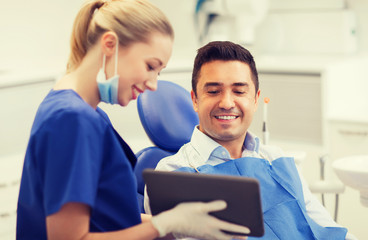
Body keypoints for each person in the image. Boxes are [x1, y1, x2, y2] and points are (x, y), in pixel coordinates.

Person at [16, 1, 251, 239]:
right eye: (150, 66)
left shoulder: (84, 112)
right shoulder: (73, 119)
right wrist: (162, 225)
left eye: (158, 72)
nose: (153, 84)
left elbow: (105, 217)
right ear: (110, 45)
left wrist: (179, 223)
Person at [144, 41, 357, 240]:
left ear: (255, 100)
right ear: (195, 100)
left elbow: (323, 226)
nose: (227, 102)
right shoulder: (171, 174)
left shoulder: (278, 159)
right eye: (213, 91)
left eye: (239, 91)